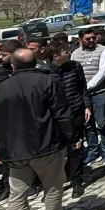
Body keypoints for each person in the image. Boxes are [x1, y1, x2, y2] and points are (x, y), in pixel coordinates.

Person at [0, 48, 77, 210]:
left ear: (13, 66)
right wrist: (71, 137)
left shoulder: (0, 89)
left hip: (15, 152)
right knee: (53, 185)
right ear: (36, 62)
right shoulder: (49, 81)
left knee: (17, 195)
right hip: (47, 145)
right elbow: (62, 113)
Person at [43, 42, 88, 199]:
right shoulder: (44, 72)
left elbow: (83, 88)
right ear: (55, 56)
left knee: (76, 147)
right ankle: (54, 185)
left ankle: (77, 181)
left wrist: (86, 106)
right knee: (56, 152)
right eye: (65, 51)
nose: (69, 53)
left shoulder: (74, 66)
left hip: (75, 112)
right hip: (55, 117)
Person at [71, 28, 105, 166]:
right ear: (80, 40)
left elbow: (103, 72)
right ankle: (93, 151)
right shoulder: (75, 53)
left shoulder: (103, 50)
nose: (91, 41)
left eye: (93, 38)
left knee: (102, 123)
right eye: (87, 39)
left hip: (99, 93)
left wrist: (88, 86)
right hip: (82, 96)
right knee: (88, 125)